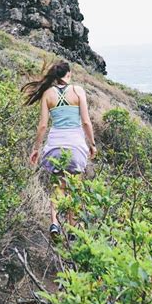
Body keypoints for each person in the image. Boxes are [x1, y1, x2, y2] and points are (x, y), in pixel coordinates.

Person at [22, 60, 97, 240]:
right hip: (76, 146)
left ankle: (54, 222)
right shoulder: (78, 91)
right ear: (69, 74)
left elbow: (42, 126)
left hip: (55, 146)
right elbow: (86, 122)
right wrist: (92, 144)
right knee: (74, 188)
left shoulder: (47, 94)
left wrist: (36, 149)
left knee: (58, 187)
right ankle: (73, 229)